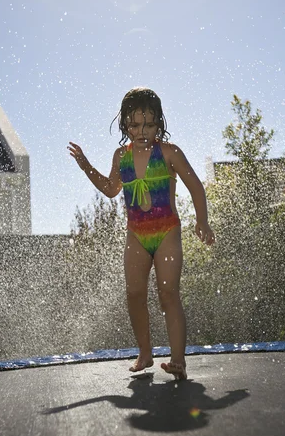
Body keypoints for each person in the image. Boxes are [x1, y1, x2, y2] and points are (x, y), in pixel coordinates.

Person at [68, 87, 215, 380]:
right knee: (134, 294)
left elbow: (196, 187)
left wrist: (203, 221)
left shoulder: (169, 152)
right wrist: (86, 166)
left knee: (168, 293)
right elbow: (111, 190)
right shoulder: (121, 156)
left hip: (167, 232)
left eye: (148, 124)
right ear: (125, 125)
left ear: (159, 123)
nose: (142, 130)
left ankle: (178, 360)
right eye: (135, 125)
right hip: (136, 234)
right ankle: (145, 352)